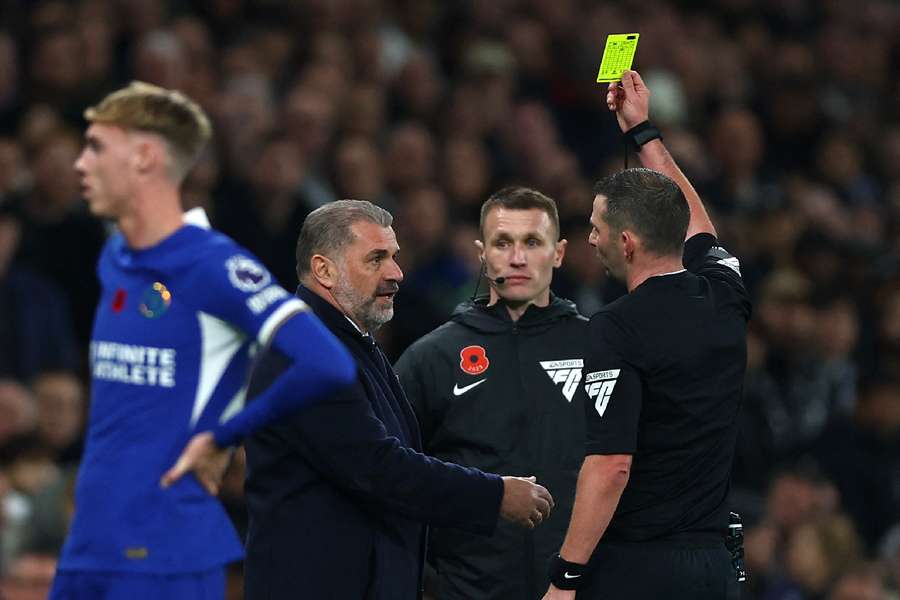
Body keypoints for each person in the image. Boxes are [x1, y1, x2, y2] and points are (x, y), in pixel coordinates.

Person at [51, 82, 356, 599]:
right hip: (89, 544)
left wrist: (224, 436)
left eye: (97, 146)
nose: (81, 163)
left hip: (165, 553)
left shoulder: (215, 265)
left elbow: (326, 362)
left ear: (145, 157)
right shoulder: (115, 259)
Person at [242, 199, 555, 600]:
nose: (396, 273)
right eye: (376, 259)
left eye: (394, 257)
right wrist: (494, 495)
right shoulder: (305, 353)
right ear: (324, 269)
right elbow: (378, 467)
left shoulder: (348, 343)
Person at [543, 70, 751, 599]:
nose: (589, 238)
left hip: (640, 570)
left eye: (596, 227)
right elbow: (697, 224)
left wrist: (565, 578)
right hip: (713, 568)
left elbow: (612, 466)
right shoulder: (725, 293)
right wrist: (642, 132)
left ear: (628, 243)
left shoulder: (616, 327)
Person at [395, 186, 589, 599]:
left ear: (559, 253)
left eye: (532, 242)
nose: (517, 258)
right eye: (503, 243)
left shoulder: (601, 349)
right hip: (464, 590)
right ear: (482, 253)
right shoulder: (432, 358)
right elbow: (394, 473)